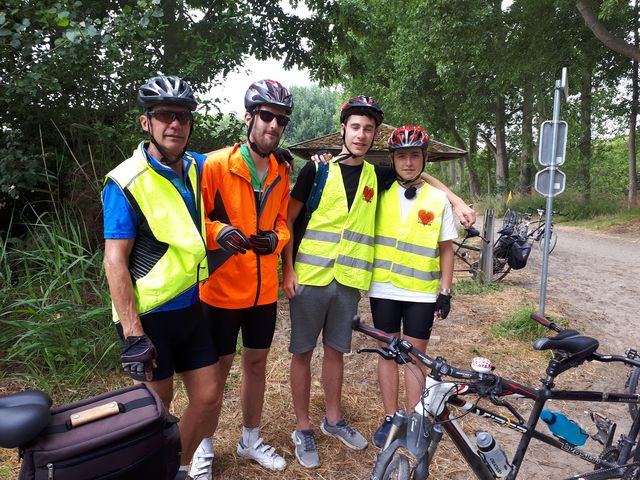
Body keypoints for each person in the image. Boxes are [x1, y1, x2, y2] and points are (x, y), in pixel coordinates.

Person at [282, 96, 475, 468]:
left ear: (375, 136)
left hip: (349, 281)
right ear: (343, 129)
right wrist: (286, 270)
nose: (361, 134)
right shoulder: (316, 170)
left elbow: (417, 173)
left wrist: (454, 199)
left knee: (337, 351)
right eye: (355, 126)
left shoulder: (377, 174)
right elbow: (287, 220)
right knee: (302, 352)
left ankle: (333, 420)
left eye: (368, 129)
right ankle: (303, 426)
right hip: (309, 275)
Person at [102, 75, 221, 479]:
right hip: (149, 316)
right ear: (145, 123)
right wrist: (134, 335)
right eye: (166, 115)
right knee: (158, 408)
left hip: (190, 306)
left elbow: (235, 159)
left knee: (207, 397)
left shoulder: (195, 167)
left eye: (184, 117)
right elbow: (114, 260)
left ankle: (178, 467)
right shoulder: (126, 181)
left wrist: (298, 161)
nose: (176, 124)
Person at [189, 79, 293, 479]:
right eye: (267, 116)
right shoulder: (214, 164)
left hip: (263, 290)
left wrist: (277, 238)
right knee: (218, 368)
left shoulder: (282, 170)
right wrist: (218, 232)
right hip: (220, 287)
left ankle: (249, 439)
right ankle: (202, 444)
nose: (273, 125)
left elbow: (284, 222)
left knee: (257, 363)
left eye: (281, 120)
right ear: (249, 117)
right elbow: (195, 216)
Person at [368, 125, 455, 448]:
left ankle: (415, 418)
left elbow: (447, 248)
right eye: (401, 156)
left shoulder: (438, 199)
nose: (407, 162)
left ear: (424, 159)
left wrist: (445, 292)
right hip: (384, 289)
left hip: (420, 291)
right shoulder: (380, 193)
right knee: (388, 354)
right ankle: (392, 417)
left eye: (414, 156)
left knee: (416, 358)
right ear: (392, 159)